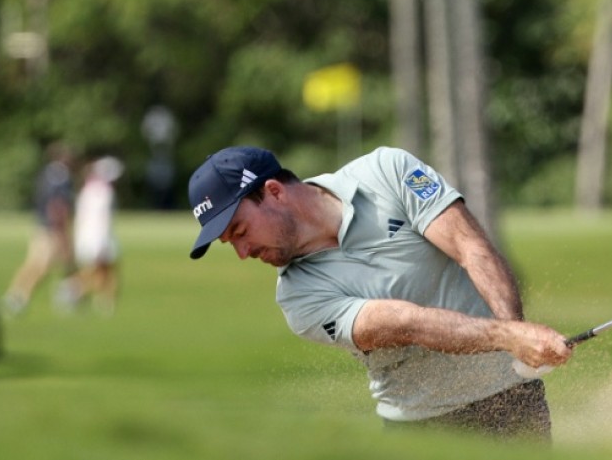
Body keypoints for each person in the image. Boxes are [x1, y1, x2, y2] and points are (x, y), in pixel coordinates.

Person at [186, 146, 572, 439]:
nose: (241, 252)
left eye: (239, 231)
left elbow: (470, 247)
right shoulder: (297, 298)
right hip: (421, 430)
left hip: (513, 403)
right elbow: (407, 324)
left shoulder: (387, 170)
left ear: (273, 192)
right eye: (228, 243)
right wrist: (510, 337)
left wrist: (516, 334)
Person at [3, 142, 77, 316]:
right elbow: (57, 205)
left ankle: (17, 295)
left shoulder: (48, 173)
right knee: (45, 265)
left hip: (43, 226)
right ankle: (19, 297)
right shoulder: (61, 176)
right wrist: (62, 231)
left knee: (38, 263)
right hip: (52, 228)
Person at [55, 156, 124, 315]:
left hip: (87, 235)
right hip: (99, 237)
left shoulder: (87, 189)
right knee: (100, 270)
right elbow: (102, 219)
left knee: (103, 270)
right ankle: (72, 290)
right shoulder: (103, 192)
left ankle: (103, 302)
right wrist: (102, 242)